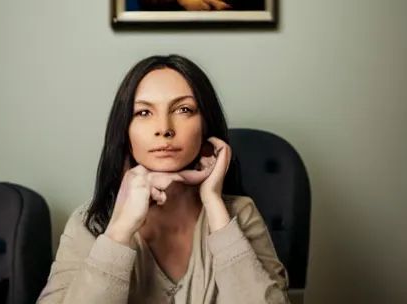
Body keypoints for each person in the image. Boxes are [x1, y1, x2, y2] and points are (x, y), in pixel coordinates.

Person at [36, 54, 289, 303]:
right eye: (144, 113)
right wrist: (119, 231)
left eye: (183, 109)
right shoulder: (88, 221)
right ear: (125, 131)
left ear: (205, 126)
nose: (164, 128)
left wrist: (213, 201)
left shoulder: (241, 214)